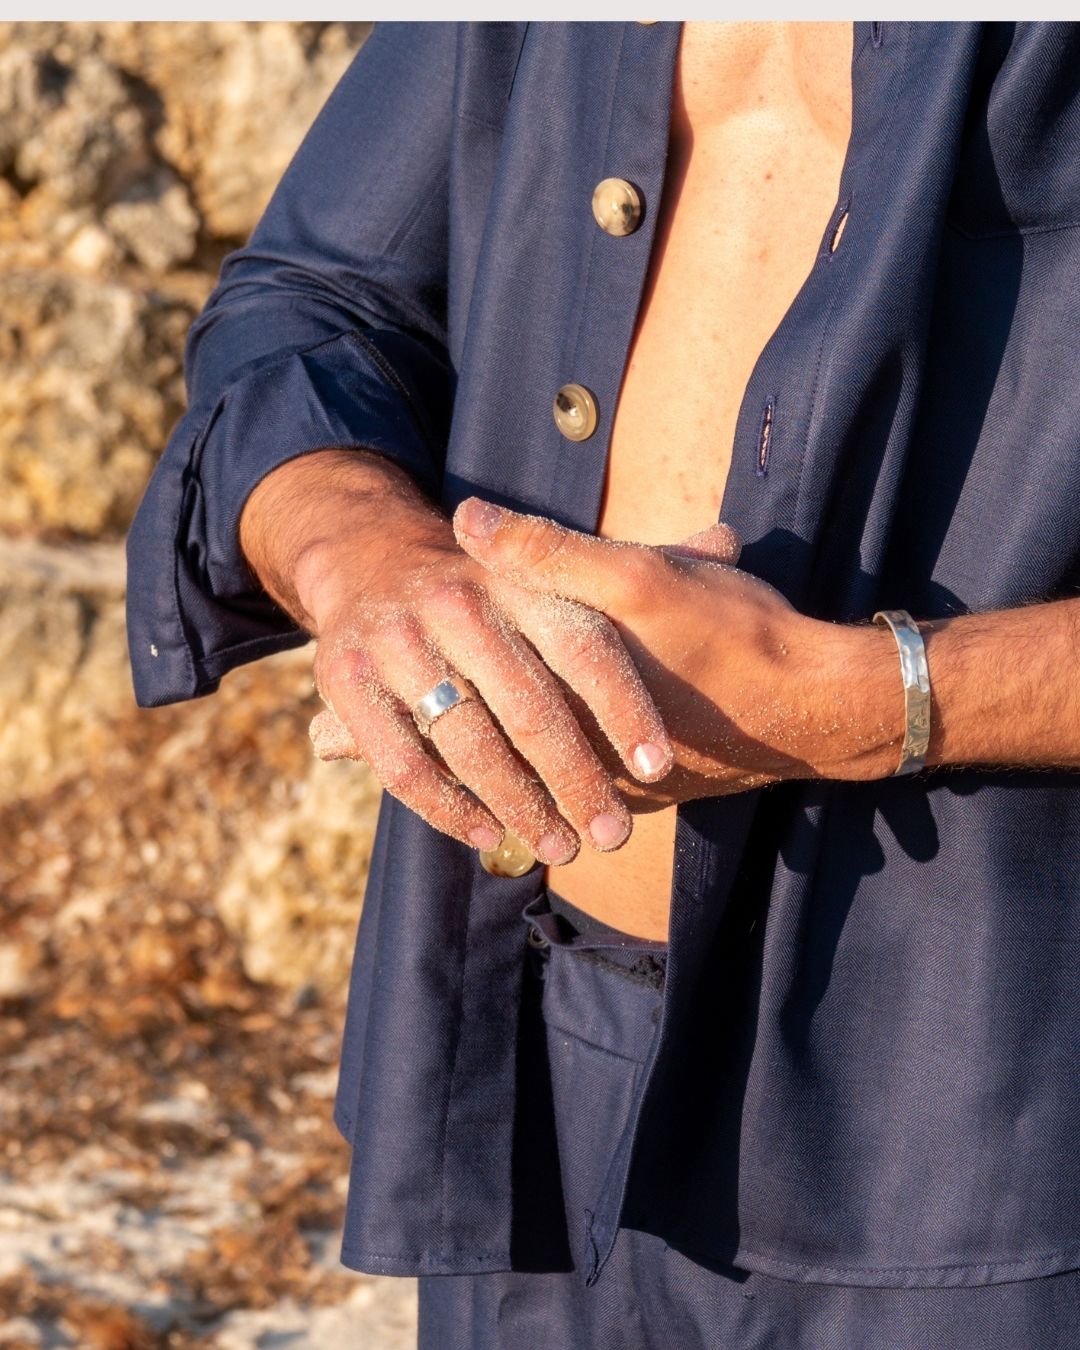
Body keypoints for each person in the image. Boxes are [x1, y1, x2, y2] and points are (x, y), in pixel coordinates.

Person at [127, 20, 1080, 1349]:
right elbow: (318, 293)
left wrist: (865, 697)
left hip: (972, 1113)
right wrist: (366, 558)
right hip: (524, 1064)